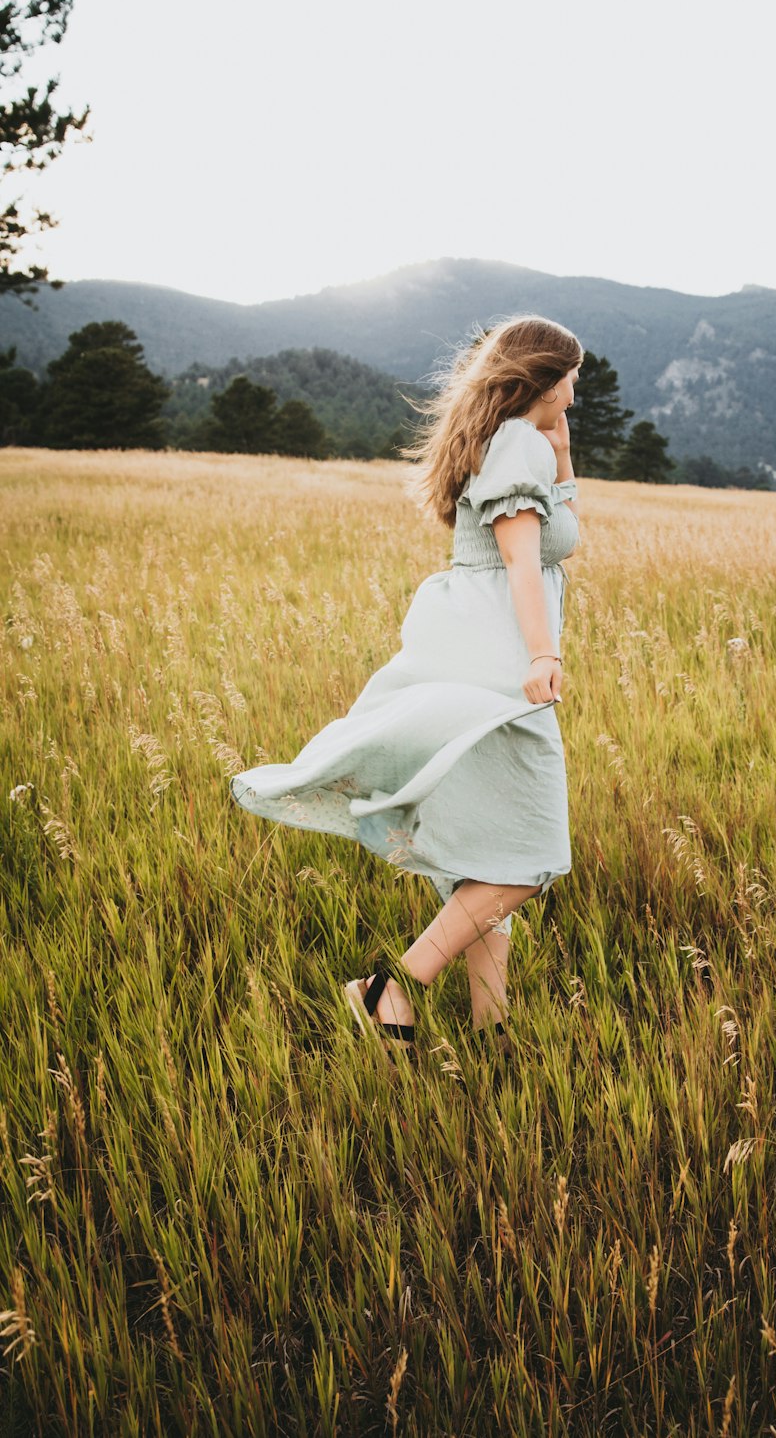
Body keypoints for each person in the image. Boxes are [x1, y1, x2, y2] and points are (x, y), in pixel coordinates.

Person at [230, 314, 582, 1059]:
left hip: (478, 650)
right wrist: (543, 655)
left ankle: (493, 1033)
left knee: (492, 857)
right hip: (504, 663)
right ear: (541, 382)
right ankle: (392, 986)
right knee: (534, 856)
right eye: (569, 383)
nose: (575, 398)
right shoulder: (516, 442)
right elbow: (524, 561)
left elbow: (556, 530)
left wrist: (561, 446)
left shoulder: (513, 439)